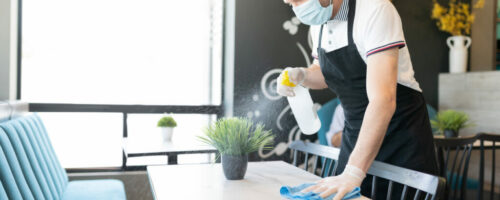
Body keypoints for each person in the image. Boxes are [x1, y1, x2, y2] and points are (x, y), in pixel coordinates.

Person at [277, 0, 438, 199]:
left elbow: (383, 100)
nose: (291, 3)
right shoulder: (318, 25)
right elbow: (324, 73)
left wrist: (353, 172)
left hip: (401, 141)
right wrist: (301, 75)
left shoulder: (376, 10)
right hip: (355, 138)